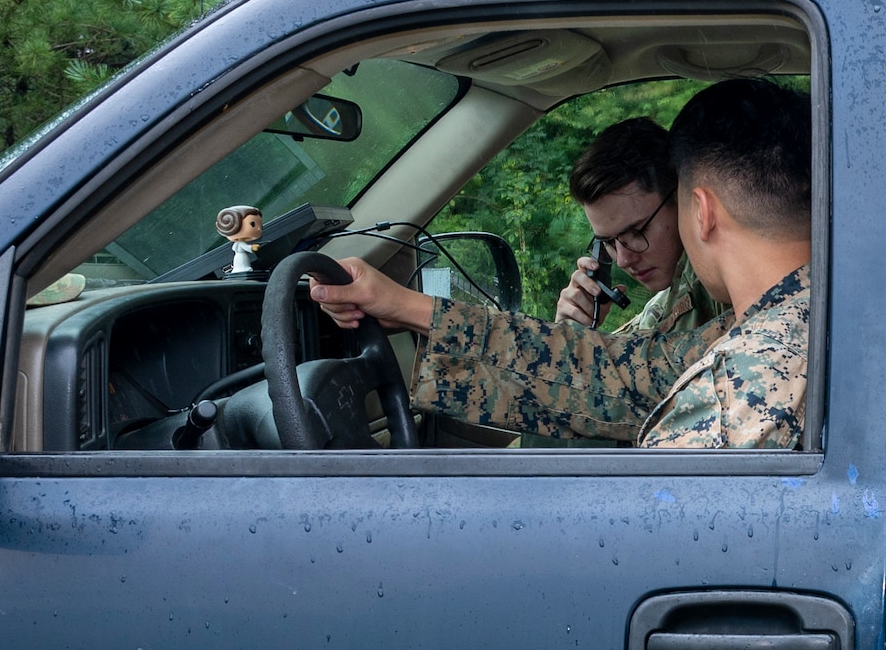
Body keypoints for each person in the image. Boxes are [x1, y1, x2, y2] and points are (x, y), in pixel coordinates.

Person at [311, 77, 812, 449]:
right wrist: (404, 307)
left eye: (640, 229)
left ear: (699, 211)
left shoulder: (746, 384)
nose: (623, 256)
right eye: (608, 242)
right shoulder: (804, 313)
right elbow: (618, 374)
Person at [551, 117, 726, 336]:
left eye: (636, 233)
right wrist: (572, 338)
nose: (623, 260)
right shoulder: (661, 311)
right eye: (608, 242)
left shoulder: (731, 287)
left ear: (683, 200)